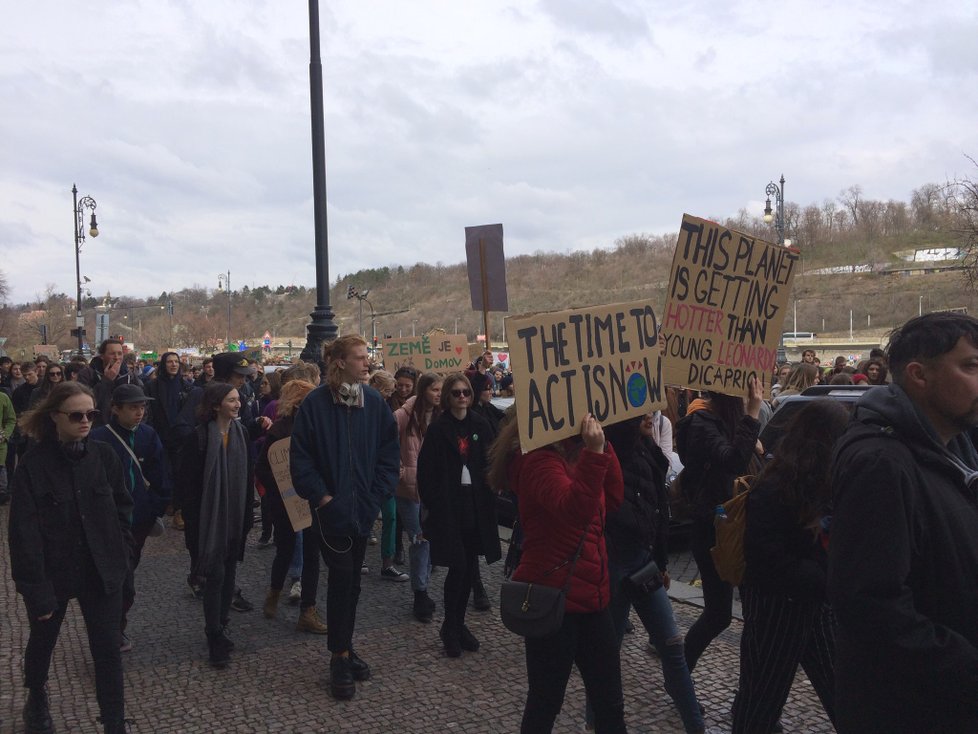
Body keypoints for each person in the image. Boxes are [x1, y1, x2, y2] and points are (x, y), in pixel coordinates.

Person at [828, 312, 978, 733]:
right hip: (914, 710)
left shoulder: (955, 448)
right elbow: (873, 606)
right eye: (970, 366)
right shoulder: (882, 464)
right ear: (919, 376)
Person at [8, 382, 133, 733]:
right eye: (76, 415)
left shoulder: (104, 457)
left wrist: (123, 553)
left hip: (101, 569)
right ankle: (37, 695)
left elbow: (124, 508)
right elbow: (23, 534)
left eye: (91, 414)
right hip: (55, 571)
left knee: (108, 652)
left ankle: (113, 722)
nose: (85, 421)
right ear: (55, 417)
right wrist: (36, 589)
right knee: (43, 641)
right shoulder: (33, 466)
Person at [490, 413, 626, 733]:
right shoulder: (536, 460)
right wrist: (594, 454)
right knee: (546, 701)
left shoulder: (574, 452)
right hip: (554, 597)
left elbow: (615, 497)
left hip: (592, 596)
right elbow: (574, 511)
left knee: (610, 703)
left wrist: (602, 447)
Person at [290, 335, 400, 700]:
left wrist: (375, 495)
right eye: (359, 358)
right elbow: (300, 459)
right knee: (340, 578)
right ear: (338, 362)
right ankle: (338, 656)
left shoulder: (375, 405)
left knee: (352, 582)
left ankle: (346, 645)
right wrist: (323, 498)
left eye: (366, 357)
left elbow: (388, 455)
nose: (366, 363)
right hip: (331, 511)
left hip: (363, 509)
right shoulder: (315, 405)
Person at [731, 399, 847, 732]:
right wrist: (824, 578)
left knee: (846, 695)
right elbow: (766, 558)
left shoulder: (827, 479)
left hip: (815, 607)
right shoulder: (774, 484)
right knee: (759, 705)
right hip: (776, 612)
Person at [590, 415, 706, 733]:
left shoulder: (649, 452)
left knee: (671, 644)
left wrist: (661, 561)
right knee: (607, 652)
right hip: (613, 565)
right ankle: (595, 721)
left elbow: (659, 511)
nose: (649, 417)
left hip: (643, 563)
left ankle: (695, 726)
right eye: (639, 413)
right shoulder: (605, 451)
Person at [679, 379, 763, 672]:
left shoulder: (730, 422)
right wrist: (752, 415)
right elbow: (734, 461)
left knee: (753, 617)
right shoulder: (702, 422)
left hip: (739, 526)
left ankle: (750, 698)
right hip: (714, 527)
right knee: (719, 615)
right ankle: (680, 675)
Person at [417, 373, 500, 657]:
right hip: (449, 508)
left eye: (466, 392)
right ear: (447, 397)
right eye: (456, 393)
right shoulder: (439, 429)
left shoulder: (480, 424)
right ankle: (451, 627)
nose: (462, 397)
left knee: (468, 569)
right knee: (459, 567)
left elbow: (492, 460)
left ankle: (457, 624)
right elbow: (426, 472)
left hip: (475, 505)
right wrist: (433, 506)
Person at [176, 382, 254, 668]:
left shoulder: (242, 433)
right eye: (231, 400)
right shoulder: (198, 438)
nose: (237, 404)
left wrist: (246, 519)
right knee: (216, 577)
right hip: (208, 523)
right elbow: (188, 488)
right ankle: (213, 634)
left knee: (229, 575)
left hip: (235, 518)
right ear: (215, 405)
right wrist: (193, 527)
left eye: (238, 400)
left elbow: (247, 479)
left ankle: (222, 625)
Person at [91, 384, 172, 653]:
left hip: (139, 520)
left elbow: (160, 474)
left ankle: (116, 626)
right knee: (118, 579)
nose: (140, 412)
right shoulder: (100, 437)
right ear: (116, 409)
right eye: (133, 407)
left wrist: (154, 508)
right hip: (108, 521)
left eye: (142, 407)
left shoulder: (149, 435)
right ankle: (112, 629)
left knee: (128, 572)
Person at [255, 379, 328, 634]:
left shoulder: (317, 429)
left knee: (309, 555)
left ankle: (306, 610)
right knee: (287, 551)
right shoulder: (280, 430)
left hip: (309, 501)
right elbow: (263, 468)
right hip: (287, 503)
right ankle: (278, 593)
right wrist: (282, 491)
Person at [394, 371, 443, 622]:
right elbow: (387, 441)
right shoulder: (404, 415)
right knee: (419, 539)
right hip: (409, 488)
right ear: (424, 390)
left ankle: (422, 589)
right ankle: (420, 594)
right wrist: (400, 471)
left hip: (432, 487)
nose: (439, 394)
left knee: (429, 538)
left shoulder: (440, 416)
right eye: (435, 389)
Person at [78, 339, 143, 426]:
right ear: (102, 356)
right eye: (112, 354)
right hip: (98, 426)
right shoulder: (87, 374)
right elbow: (86, 402)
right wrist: (106, 380)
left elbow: (142, 402)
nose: (116, 357)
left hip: (125, 426)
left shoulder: (129, 375)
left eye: (120, 354)